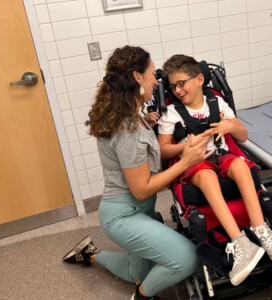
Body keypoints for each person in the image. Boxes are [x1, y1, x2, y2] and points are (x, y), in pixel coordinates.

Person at [62, 46, 212, 300]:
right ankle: (141, 296)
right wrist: (185, 162)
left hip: (137, 211)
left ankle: (88, 253)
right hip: (122, 216)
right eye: (153, 73)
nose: (157, 80)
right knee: (186, 258)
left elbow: (149, 154)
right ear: (137, 77)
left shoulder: (137, 116)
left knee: (137, 270)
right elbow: (141, 188)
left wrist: (183, 147)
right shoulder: (127, 129)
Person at [157, 54, 272, 286]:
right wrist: (184, 147)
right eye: (173, 86)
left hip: (222, 156)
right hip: (195, 162)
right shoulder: (172, 113)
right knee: (206, 175)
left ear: (199, 79)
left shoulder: (217, 102)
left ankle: (261, 230)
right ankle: (240, 242)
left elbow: (242, 135)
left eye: (182, 83)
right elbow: (163, 150)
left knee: (240, 164)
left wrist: (230, 125)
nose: (177, 90)